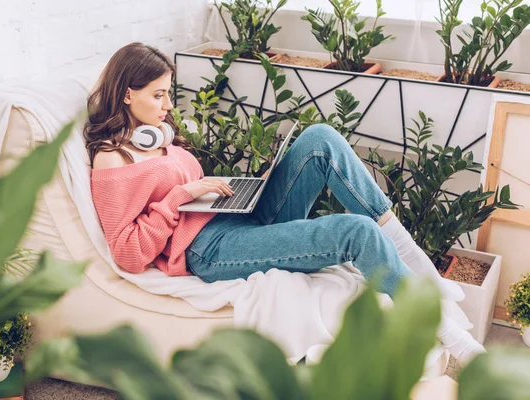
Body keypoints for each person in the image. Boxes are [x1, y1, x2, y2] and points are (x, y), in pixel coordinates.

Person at [85, 42, 485, 365]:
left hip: (229, 215)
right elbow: (128, 252)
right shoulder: (112, 160)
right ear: (126, 94)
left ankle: (405, 250)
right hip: (207, 249)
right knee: (355, 232)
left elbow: (190, 186)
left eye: (168, 93)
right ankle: (442, 328)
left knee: (321, 140)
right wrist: (177, 197)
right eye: (158, 95)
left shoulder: (156, 136)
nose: (168, 105)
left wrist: (243, 190)